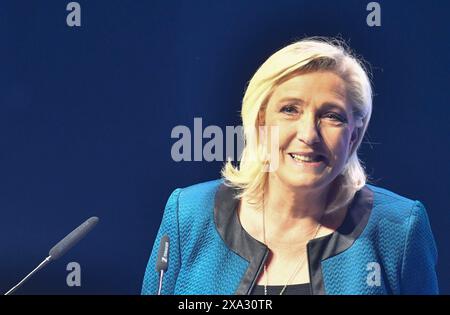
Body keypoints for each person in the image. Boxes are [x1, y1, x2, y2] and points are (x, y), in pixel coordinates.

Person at [141, 37, 439, 295]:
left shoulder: (399, 228)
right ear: (260, 123)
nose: (309, 134)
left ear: (354, 136)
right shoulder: (188, 213)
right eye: (290, 110)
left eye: (332, 116)